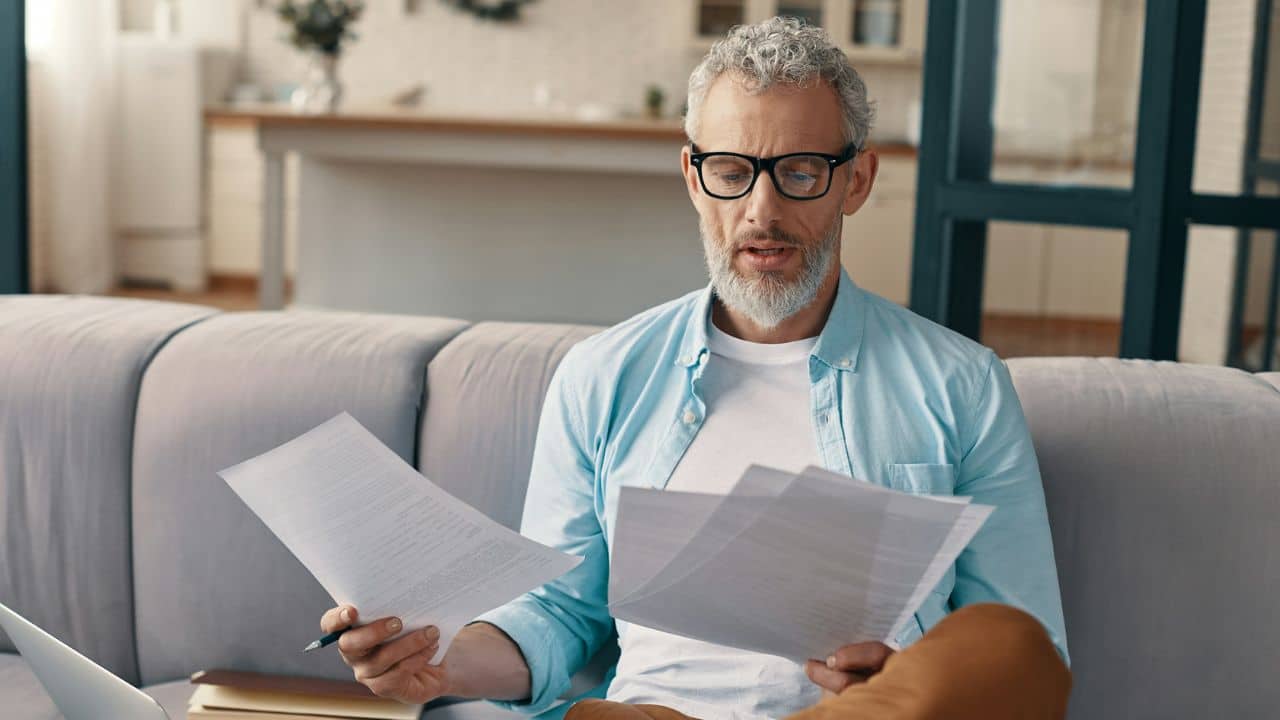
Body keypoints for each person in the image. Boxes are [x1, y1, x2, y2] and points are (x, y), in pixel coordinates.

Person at [319, 16, 1071, 720]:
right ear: (691, 175)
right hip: (656, 716)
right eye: (732, 170)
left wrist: (894, 673)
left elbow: (1025, 654)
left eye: (801, 170)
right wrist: (443, 666)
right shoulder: (602, 376)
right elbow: (557, 615)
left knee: (1006, 641)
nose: (762, 209)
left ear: (857, 181)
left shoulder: (962, 384)